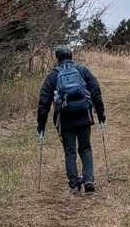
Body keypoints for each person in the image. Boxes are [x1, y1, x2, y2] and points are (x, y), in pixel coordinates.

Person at [36, 44, 106, 193]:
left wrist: (41, 125)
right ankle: (88, 180)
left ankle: (74, 184)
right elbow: (96, 91)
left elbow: (44, 101)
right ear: (71, 56)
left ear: (57, 58)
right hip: (84, 115)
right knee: (85, 148)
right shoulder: (82, 70)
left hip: (65, 117)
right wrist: (100, 115)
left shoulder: (53, 76)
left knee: (70, 151)